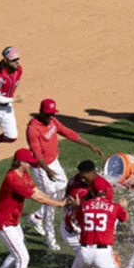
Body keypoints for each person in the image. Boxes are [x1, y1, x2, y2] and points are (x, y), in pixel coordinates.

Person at [25, 99, 103, 250]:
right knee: (50, 203)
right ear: (41, 112)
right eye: (48, 114)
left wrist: (89, 144)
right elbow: (36, 153)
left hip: (54, 162)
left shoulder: (53, 121)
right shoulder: (33, 129)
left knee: (65, 190)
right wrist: (47, 170)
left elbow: (68, 133)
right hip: (42, 168)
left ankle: (36, 217)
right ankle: (50, 239)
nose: (50, 117)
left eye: (52, 114)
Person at [62, 161, 120, 268]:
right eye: (81, 176)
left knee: (104, 262)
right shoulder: (83, 188)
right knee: (96, 264)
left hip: (78, 228)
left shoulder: (87, 185)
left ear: (91, 172)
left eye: (84, 176)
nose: (82, 179)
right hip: (77, 232)